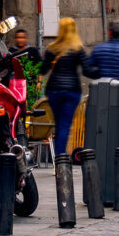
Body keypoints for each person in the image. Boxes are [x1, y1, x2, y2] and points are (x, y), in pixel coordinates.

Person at [41, 18, 86, 156]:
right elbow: (87, 70)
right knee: (65, 125)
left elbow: (43, 69)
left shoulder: (52, 48)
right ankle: (61, 157)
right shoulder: (78, 49)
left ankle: (60, 156)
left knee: (59, 124)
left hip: (54, 90)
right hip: (72, 90)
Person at [85, 19, 119, 85]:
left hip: (103, 89)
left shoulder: (98, 49)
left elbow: (86, 69)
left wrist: (100, 75)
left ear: (109, 32)